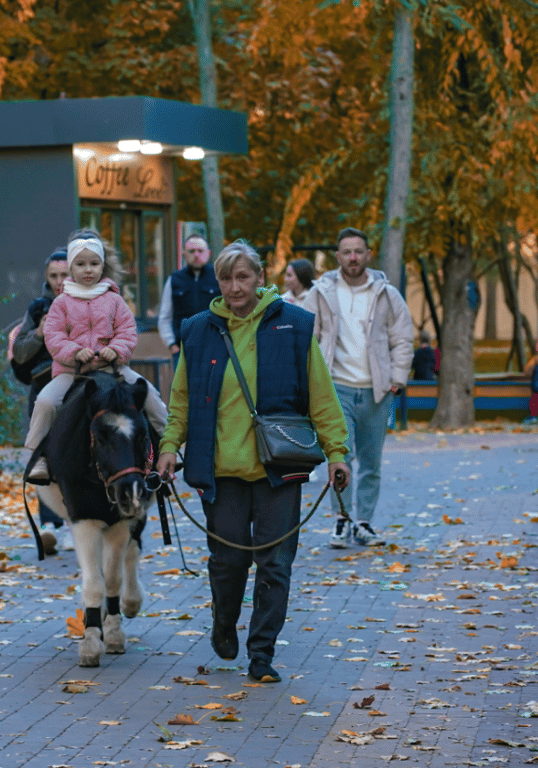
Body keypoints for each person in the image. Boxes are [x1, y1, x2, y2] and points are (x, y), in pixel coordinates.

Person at [153, 242, 349, 683]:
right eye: (226, 278)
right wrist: (169, 446)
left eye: (243, 277)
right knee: (228, 562)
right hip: (220, 469)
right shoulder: (198, 330)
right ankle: (224, 622)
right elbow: (181, 400)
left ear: (260, 278)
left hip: (280, 466)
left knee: (275, 563)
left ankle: (261, 653)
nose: (235, 287)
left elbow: (321, 396)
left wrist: (336, 452)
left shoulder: (293, 326)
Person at [300, 227, 414, 549]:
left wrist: (397, 379)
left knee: (371, 462)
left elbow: (403, 337)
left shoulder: (386, 294)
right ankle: (342, 519)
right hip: (337, 388)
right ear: (338, 256)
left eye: (358, 251)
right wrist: (312, 381)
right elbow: (304, 336)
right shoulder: (321, 292)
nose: (353, 257)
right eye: (347, 252)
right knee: (342, 456)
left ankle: (363, 522)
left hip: (377, 390)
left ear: (368, 255)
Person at [24, 235, 168, 482]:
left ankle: (166, 447)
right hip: (72, 373)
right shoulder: (61, 303)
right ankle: (39, 456)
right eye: (80, 264)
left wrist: (116, 350)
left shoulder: (115, 300)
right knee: (45, 402)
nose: (88, 269)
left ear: (102, 266)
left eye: (94, 263)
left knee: (151, 395)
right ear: (71, 268)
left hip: (113, 369)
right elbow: (54, 336)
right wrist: (75, 352)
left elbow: (127, 331)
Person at [9, 247, 71, 546]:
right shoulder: (38, 308)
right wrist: (38, 334)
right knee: (43, 457)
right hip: (43, 386)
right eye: (53, 276)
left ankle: (76, 521)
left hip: (77, 384)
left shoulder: (87, 303)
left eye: (64, 275)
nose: (59, 281)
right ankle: (49, 524)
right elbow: (20, 354)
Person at [157, 235, 219, 366]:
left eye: (200, 251)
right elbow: (164, 317)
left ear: (208, 253)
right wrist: (171, 344)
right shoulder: (174, 280)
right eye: (191, 251)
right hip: (183, 351)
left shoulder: (219, 278)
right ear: (184, 254)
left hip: (214, 348)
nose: (196, 255)